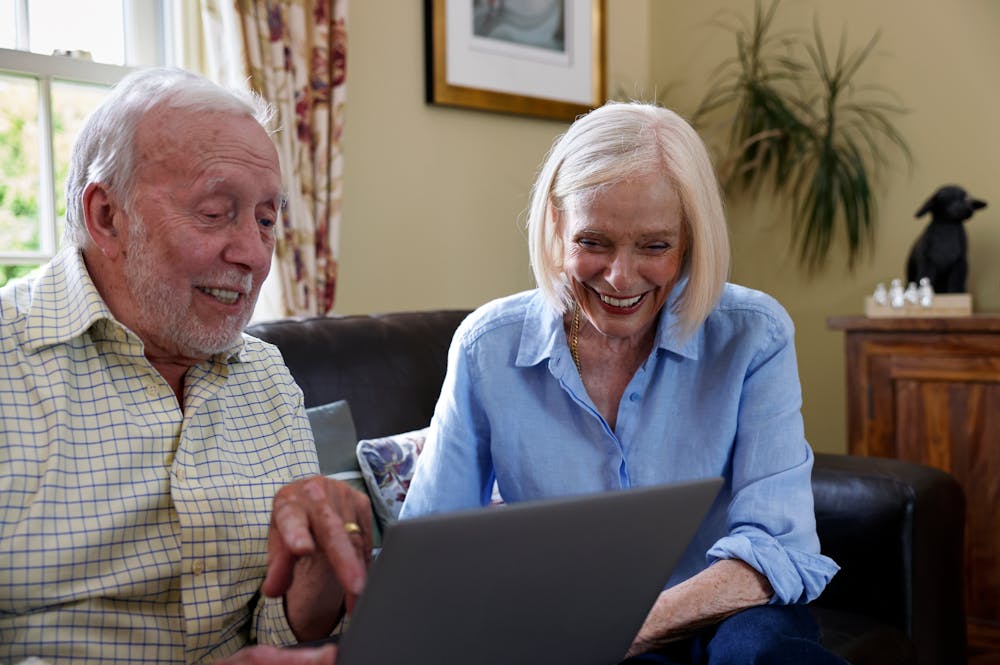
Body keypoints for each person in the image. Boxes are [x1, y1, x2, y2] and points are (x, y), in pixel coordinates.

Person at [399, 101, 848, 664]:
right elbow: (433, 550)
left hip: (731, 611)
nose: (620, 277)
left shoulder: (754, 335)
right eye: (594, 242)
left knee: (764, 653)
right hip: (569, 628)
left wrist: (633, 626)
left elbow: (778, 543)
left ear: (689, 239)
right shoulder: (485, 347)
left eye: (654, 246)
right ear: (557, 226)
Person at [0, 67, 370, 664]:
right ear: (107, 217)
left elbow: (278, 626)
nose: (252, 253)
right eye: (215, 212)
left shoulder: (267, 378)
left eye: (266, 220)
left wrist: (321, 567)